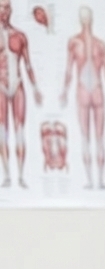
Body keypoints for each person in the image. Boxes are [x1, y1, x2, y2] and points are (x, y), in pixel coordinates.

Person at [60, 5, 105, 189]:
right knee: (90, 137)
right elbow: (69, 70)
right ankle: (94, 180)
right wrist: (64, 91)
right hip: (91, 89)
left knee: (95, 137)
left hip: (91, 89)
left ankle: (97, 180)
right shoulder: (87, 44)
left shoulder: (91, 44)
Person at [0, 0, 43, 188]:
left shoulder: (20, 36)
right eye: (1, 7)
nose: (4, 11)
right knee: (2, 130)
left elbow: (27, 64)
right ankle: (8, 175)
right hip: (0, 85)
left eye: (7, 7)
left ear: (11, 10)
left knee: (19, 130)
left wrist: (35, 88)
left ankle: (21, 175)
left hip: (17, 84)